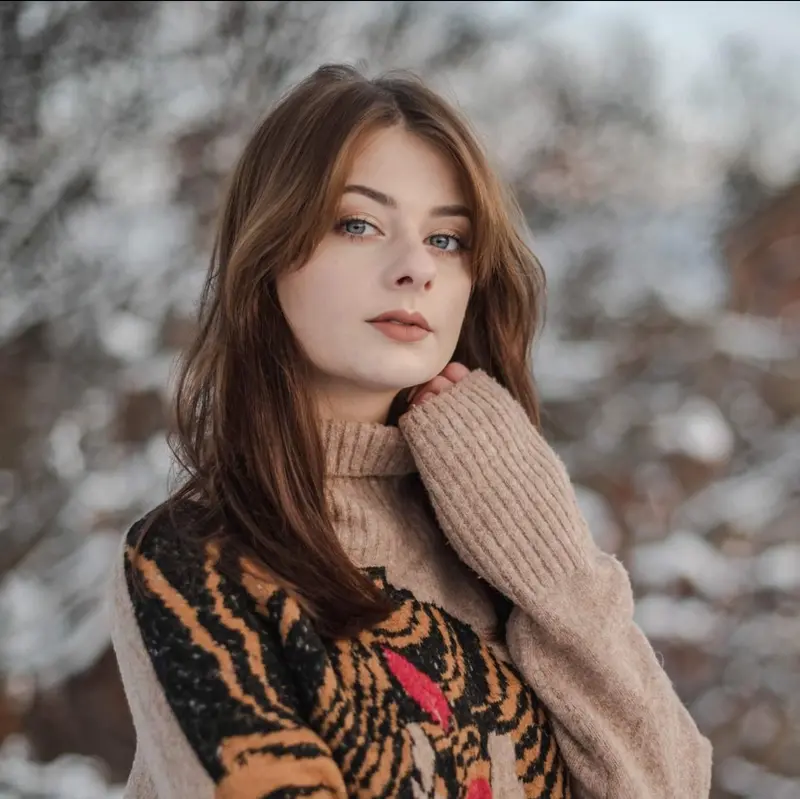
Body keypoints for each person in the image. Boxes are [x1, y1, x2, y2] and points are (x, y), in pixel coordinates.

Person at [109, 63, 713, 798]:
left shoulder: (496, 553)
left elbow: (668, 784)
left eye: (449, 238)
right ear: (270, 254)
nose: (414, 269)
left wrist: (556, 567)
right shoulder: (190, 559)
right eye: (358, 223)